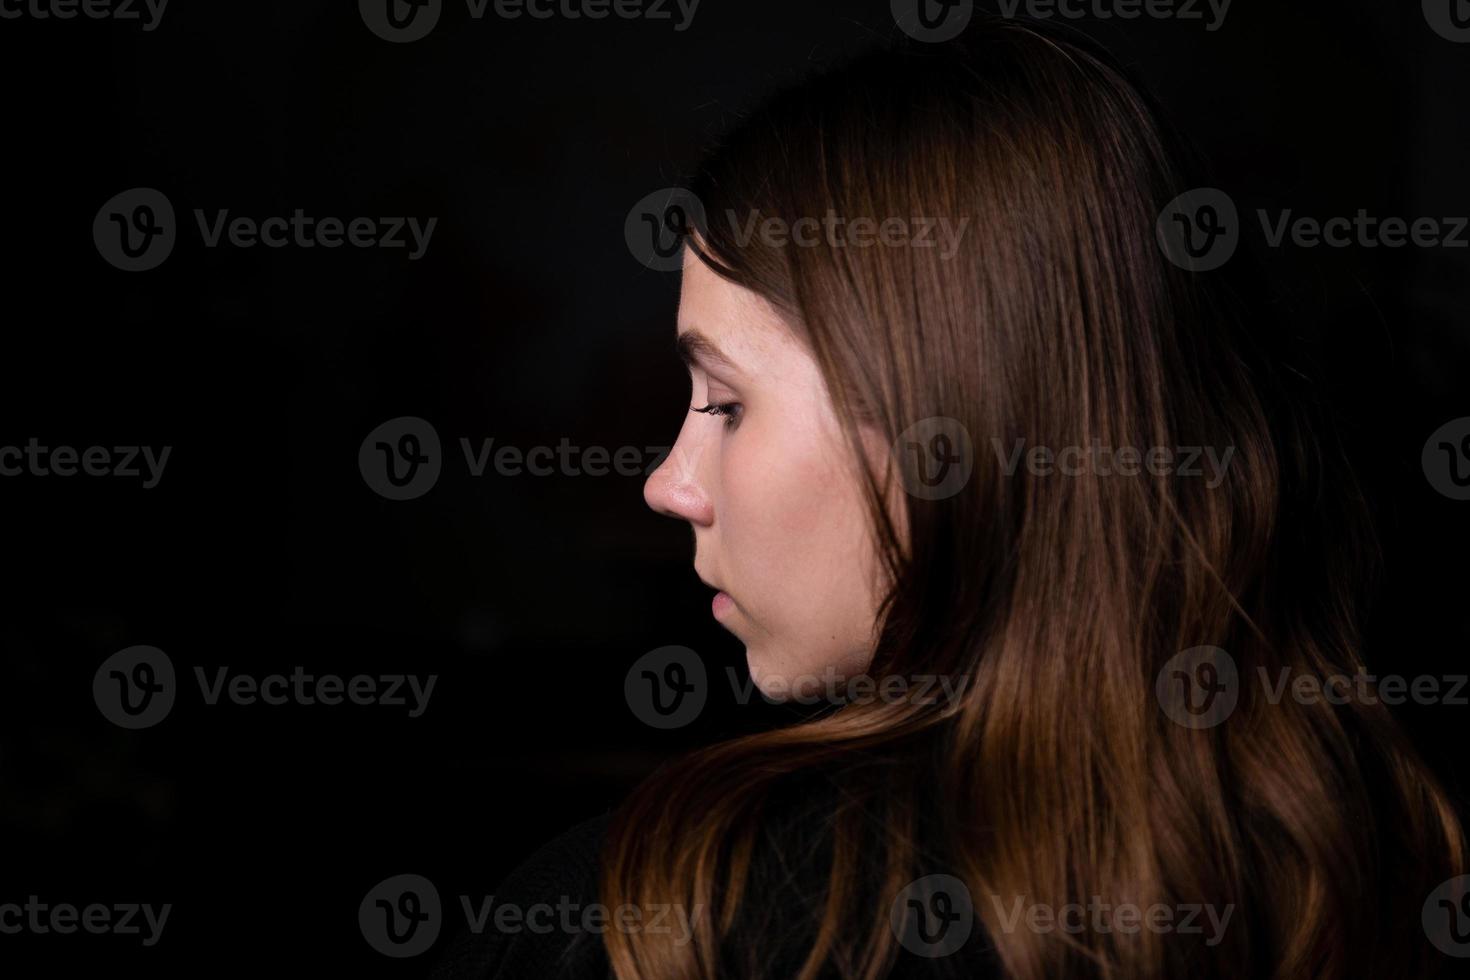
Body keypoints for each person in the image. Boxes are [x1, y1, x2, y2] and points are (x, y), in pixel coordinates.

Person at [434, 17, 1465, 979]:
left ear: (941, 424)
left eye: (727, 402)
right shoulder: (1361, 852)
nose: (669, 483)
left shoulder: (662, 915)